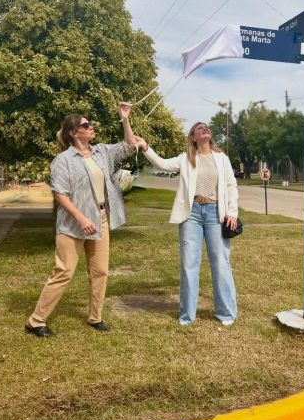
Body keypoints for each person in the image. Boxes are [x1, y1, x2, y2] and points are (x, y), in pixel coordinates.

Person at [25, 103, 136, 337]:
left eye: (90, 124)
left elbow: (129, 145)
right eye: (86, 125)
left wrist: (125, 119)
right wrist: (81, 218)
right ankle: (36, 320)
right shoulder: (63, 160)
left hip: (101, 219)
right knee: (64, 271)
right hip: (72, 224)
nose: (91, 127)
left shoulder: (101, 152)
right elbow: (60, 194)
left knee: (100, 271)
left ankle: (95, 317)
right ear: (74, 133)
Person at [134, 123, 239, 326]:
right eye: (199, 128)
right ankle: (187, 315)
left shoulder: (222, 158)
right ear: (193, 137)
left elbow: (231, 185)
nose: (205, 128)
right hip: (191, 215)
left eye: (207, 127)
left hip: (216, 214)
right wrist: (145, 147)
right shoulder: (186, 158)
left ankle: (226, 313)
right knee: (189, 264)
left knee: (220, 262)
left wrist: (232, 212)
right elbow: (161, 164)